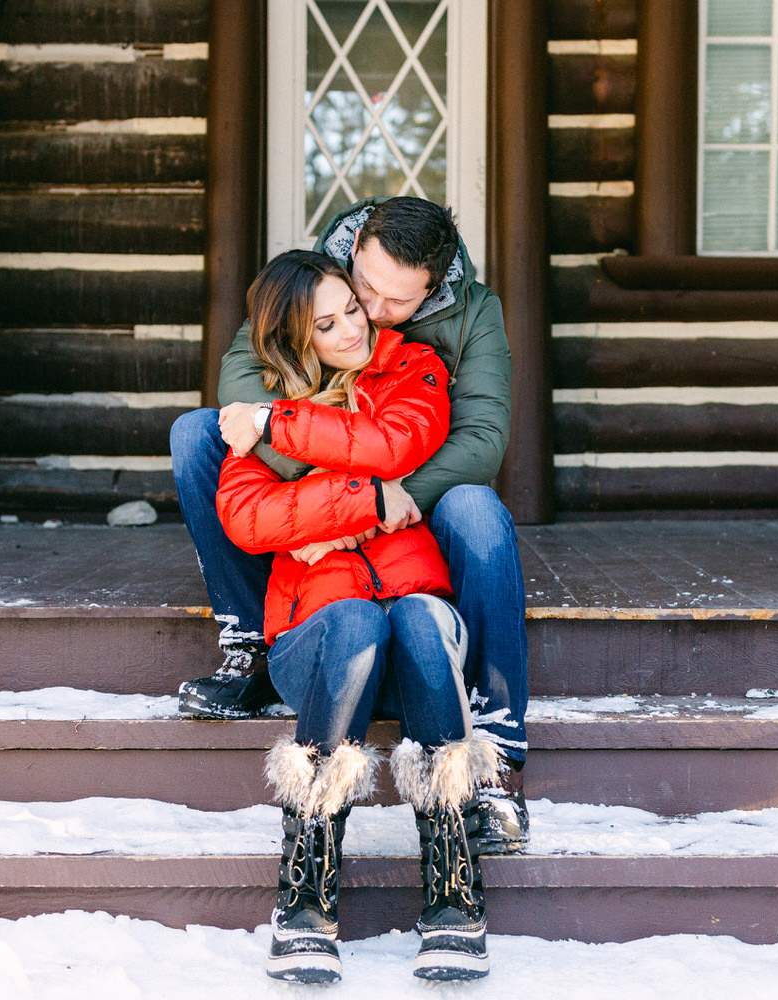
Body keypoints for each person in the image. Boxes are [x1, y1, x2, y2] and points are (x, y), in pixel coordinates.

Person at [170, 197, 531, 854]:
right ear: (355, 244)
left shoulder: (475, 314)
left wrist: (387, 503)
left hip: (416, 496)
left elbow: (481, 436)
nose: (373, 310)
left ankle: (497, 744)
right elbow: (242, 379)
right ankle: (254, 644)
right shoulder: (309, 280)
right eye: (366, 286)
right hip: (325, 492)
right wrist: (346, 496)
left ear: (436, 285)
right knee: (198, 435)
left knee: (478, 511)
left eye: (398, 301)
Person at [215, 250, 499, 982]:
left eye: (353, 309)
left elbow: (395, 442)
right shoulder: (264, 399)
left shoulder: (411, 368)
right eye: (327, 324)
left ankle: (452, 887)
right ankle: (307, 892)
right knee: (354, 621)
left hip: (417, 640)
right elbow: (246, 516)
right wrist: (365, 504)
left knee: (415, 618)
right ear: (295, 338)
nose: (352, 331)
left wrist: (284, 432)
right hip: (314, 643)